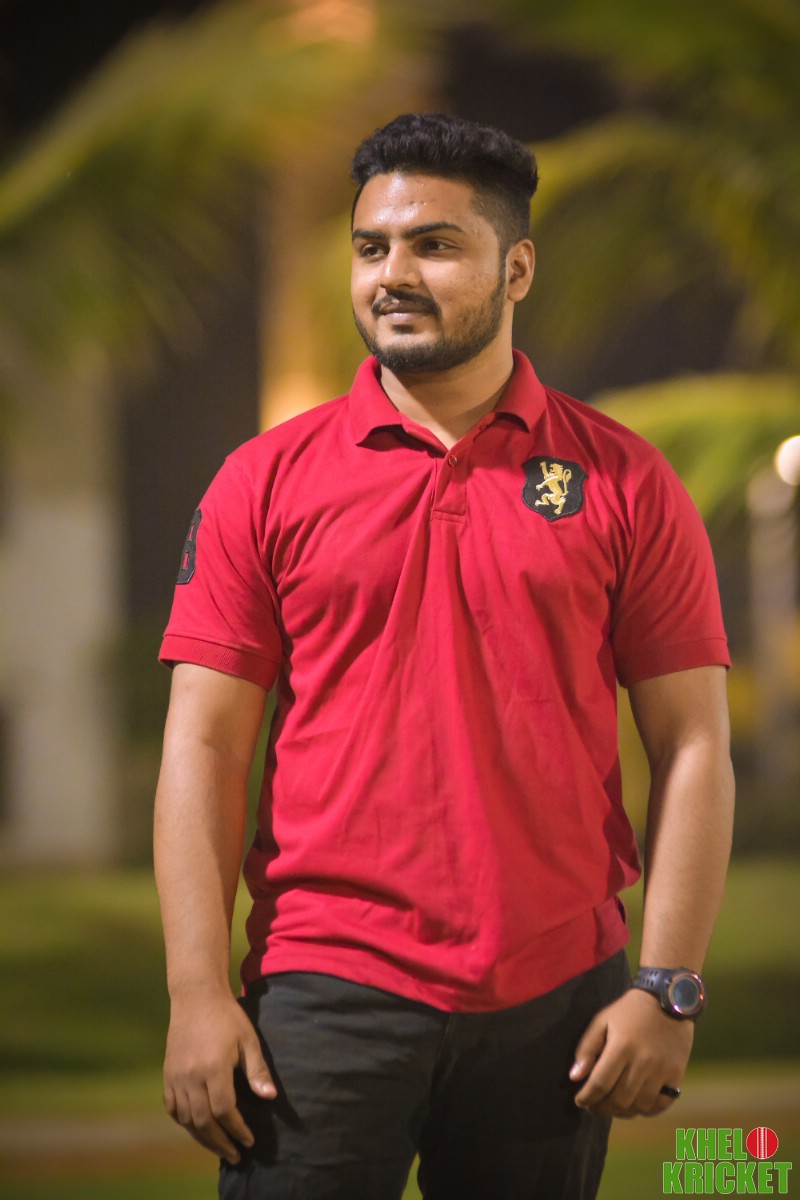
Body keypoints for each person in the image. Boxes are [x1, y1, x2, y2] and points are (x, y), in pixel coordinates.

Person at [154, 112, 735, 1200]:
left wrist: (666, 987)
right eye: (371, 247)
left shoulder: (624, 480)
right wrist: (196, 993)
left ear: (516, 269)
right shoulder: (263, 480)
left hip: (557, 1001)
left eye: (433, 245)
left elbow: (693, 743)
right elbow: (204, 745)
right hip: (322, 989)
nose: (393, 274)